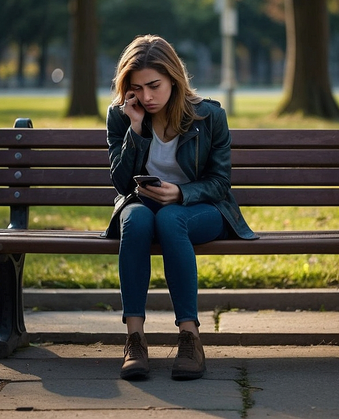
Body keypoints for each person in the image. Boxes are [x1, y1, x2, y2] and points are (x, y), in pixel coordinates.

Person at [104, 34, 257, 381]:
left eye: (154, 85)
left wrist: (181, 194)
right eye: (137, 87)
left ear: (173, 77)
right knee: (137, 219)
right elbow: (120, 184)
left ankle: (190, 337)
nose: (146, 96)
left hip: (200, 209)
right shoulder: (123, 116)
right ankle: (134, 338)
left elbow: (220, 182)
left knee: (172, 219)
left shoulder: (209, 116)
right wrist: (136, 128)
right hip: (141, 205)